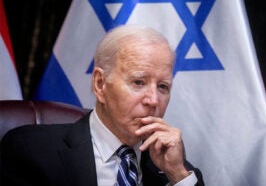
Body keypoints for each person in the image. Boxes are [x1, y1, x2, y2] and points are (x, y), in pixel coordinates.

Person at [0, 25, 204, 186]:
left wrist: (177, 175)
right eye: (138, 82)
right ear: (100, 84)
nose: (153, 100)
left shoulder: (175, 171)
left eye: (162, 87)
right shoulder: (31, 150)